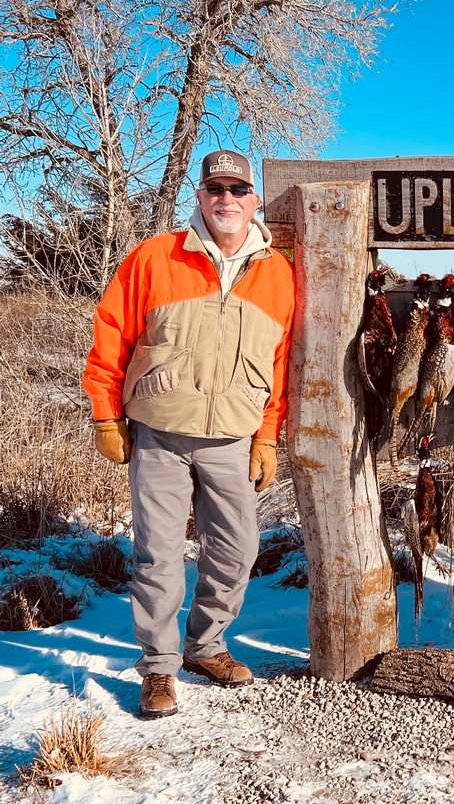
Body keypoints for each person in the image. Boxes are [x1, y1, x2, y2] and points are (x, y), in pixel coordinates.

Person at [82, 150, 295, 719]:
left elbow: (280, 362)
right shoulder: (155, 257)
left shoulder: (276, 273)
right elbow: (112, 334)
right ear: (199, 197)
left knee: (237, 550)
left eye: (237, 189)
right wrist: (106, 414)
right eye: (215, 188)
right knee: (158, 555)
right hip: (160, 433)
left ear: (254, 200)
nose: (226, 198)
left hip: (232, 436)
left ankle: (206, 646)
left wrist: (268, 434)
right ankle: (158, 669)